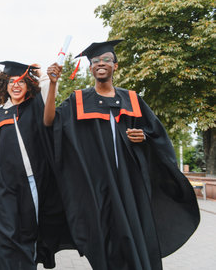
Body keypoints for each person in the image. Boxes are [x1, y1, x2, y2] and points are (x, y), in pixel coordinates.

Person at [44, 40, 200, 270]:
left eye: (106, 60)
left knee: (136, 239)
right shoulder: (79, 101)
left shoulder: (132, 100)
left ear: (115, 66)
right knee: (105, 241)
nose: (100, 64)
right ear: (90, 69)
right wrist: (53, 85)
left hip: (131, 185)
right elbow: (50, 122)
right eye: (95, 61)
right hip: (99, 186)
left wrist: (144, 137)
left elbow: (156, 135)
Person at [0, 61, 73, 270]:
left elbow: (49, 91)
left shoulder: (34, 106)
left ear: (28, 85)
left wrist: (40, 74)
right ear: (5, 85)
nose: (16, 85)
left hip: (32, 182)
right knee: (7, 234)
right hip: (3, 184)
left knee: (28, 232)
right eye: (12, 81)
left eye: (21, 81)